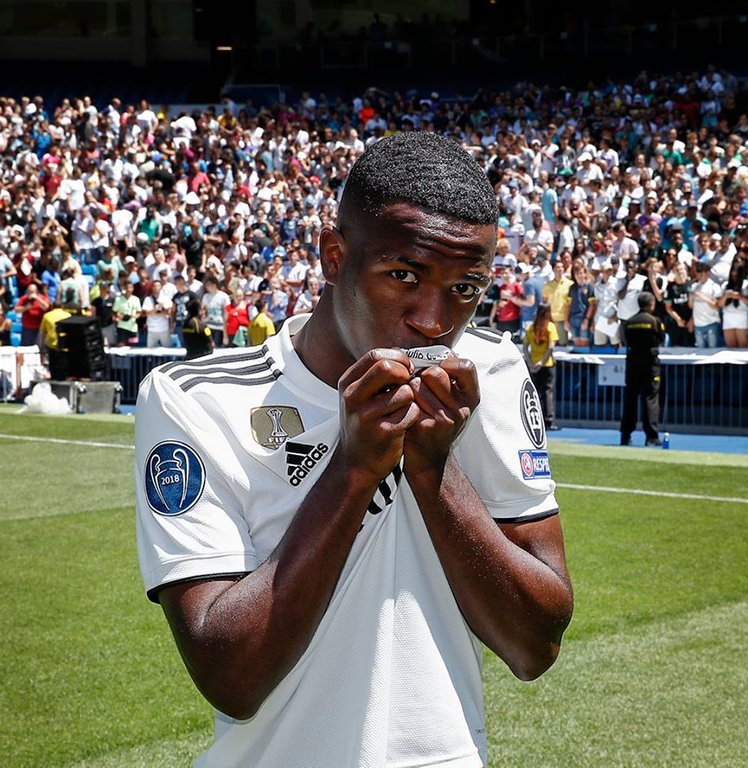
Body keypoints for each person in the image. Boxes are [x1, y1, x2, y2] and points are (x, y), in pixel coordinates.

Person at [135, 132, 572, 768]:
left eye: (465, 288)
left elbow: (536, 647)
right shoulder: (197, 399)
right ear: (333, 254)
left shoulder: (492, 372)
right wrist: (356, 466)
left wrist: (430, 469)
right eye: (404, 275)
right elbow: (231, 678)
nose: (433, 318)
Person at [619, 292, 665, 447]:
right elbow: (660, 339)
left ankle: (625, 435)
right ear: (651, 304)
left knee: (630, 399)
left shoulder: (629, 322)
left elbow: (626, 339)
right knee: (650, 399)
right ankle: (651, 436)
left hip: (632, 363)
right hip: (650, 364)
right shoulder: (655, 321)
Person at [522, 303, 560, 431]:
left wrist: (530, 362)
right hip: (547, 364)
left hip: (533, 364)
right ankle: (549, 420)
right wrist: (542, 362)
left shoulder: (531, 328)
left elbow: (525, 347)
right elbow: (550, 348)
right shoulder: (550, 327)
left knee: (534, 393)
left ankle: (533, 420)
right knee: (547, 392)